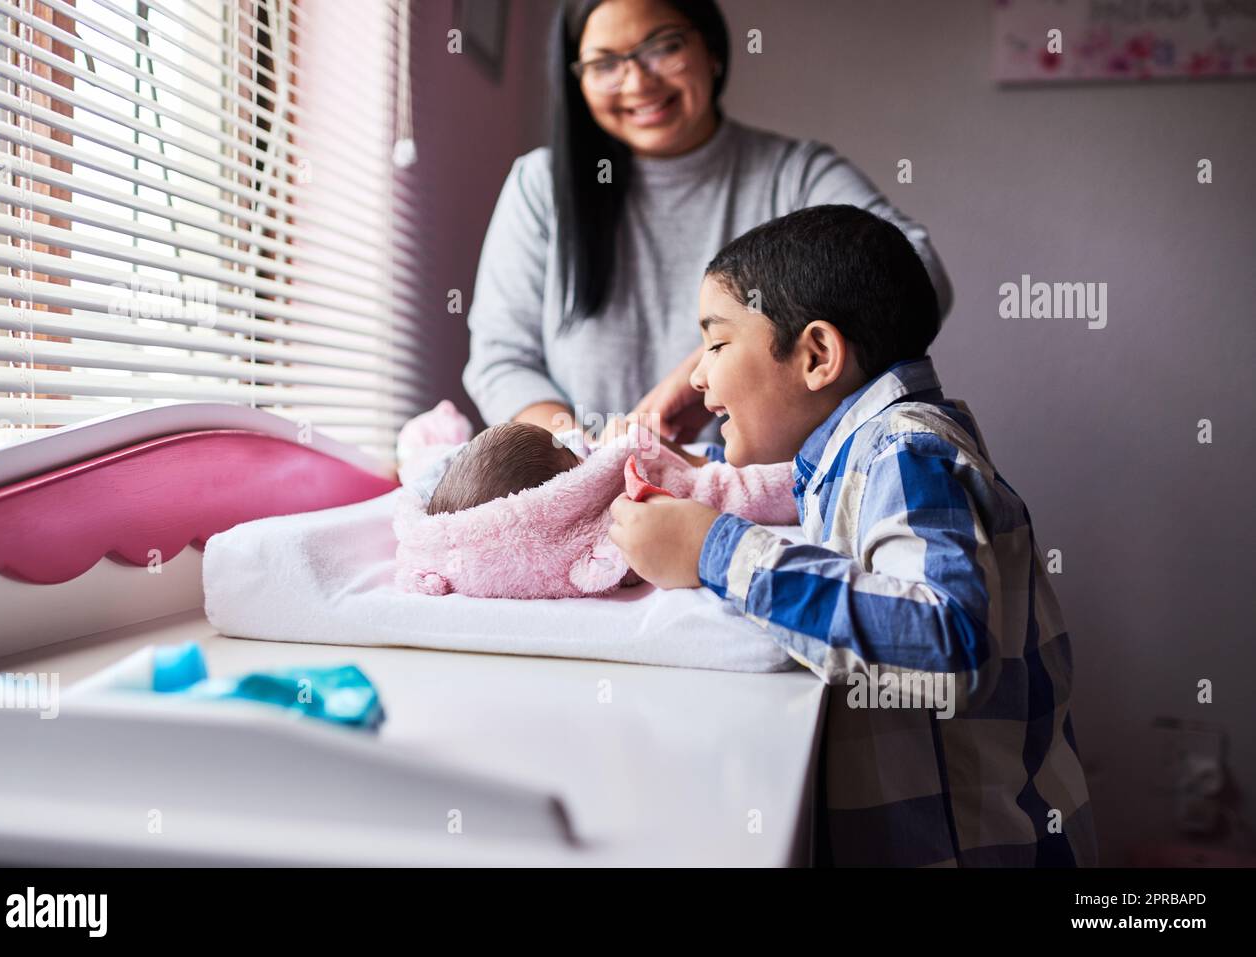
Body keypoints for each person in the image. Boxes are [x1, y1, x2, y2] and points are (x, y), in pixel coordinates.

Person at [608, 204, 1097, 867]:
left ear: (817, 355)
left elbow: (947, 641)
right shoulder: (854, 458)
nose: (696, 376)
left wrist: (714, 550)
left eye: (717, 344)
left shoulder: (903, 450)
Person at [462, 0, 952, 451]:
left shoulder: (793, 174)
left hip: (765, 501)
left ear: (711, 50)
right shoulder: (541, 186)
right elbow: (502, 360)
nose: (636, 82)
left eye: (664, 47)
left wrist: (716, 362)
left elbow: (916, 268)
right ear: (579, 79)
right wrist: (588, 455)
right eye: (605, 63)